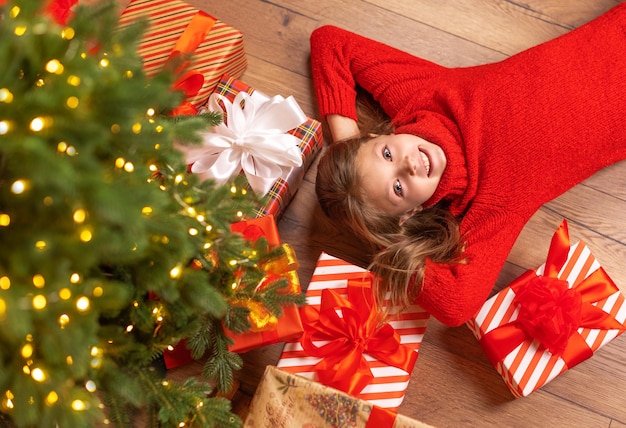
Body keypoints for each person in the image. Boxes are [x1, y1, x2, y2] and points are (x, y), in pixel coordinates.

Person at [311, 3, 626, 327]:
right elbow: (455, 306)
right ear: (410, 214)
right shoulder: (491, 203)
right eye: (398, 187)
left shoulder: (420, 97)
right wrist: (382, 233)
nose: (407, 165)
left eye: (387, 155)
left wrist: (345, 143)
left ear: (377, 135)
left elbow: (331, 43)